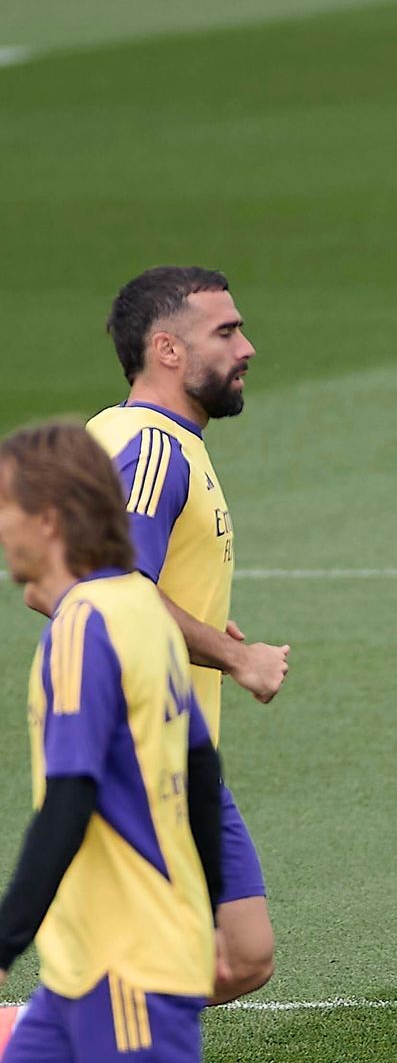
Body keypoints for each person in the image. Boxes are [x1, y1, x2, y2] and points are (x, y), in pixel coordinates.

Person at [78, 267, 288, 1004]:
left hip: (170, 742)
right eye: (225, 332)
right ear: (167, 350)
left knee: (240, 954)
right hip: (135, 740)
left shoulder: (150, 440)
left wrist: (197, 632)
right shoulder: (151, 447)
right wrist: (238, 656)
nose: (247, 347)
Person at [0, 421, 225, 1062]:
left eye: (5, 507)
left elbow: (70, 797)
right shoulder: (141, 608)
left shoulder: (81, 626)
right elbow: (201, 771)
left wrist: (3, 943)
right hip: (83, 973)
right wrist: (200, 914)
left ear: (47, 521)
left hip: (125, 969)